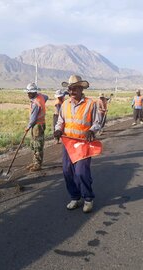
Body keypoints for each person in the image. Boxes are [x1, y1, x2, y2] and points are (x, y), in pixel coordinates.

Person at [54, 75, 101, 213]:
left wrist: (92, 130)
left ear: (81, 89)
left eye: (75, 88)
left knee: (81, 172)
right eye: (70, 89)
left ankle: (88, 198)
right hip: (68, 143)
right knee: (67, 171)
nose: (72, 91)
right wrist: (57, 130)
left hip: (83, 143)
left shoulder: (90, 104)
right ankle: (75, 197)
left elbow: (97, 122)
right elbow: (60, 121)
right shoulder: (65, 104)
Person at [25, 82, 49, 172]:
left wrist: (27, 127)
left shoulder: (35, 103)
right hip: (40, 124)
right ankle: (35, 161)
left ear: (34, 92)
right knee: (35, 144)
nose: (28, 94)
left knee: (37, 145)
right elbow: (46, 97)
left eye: (30, 93)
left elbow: (33, 119)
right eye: (28, 92)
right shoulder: (41, 97)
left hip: (37, 126)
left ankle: (37, 164)